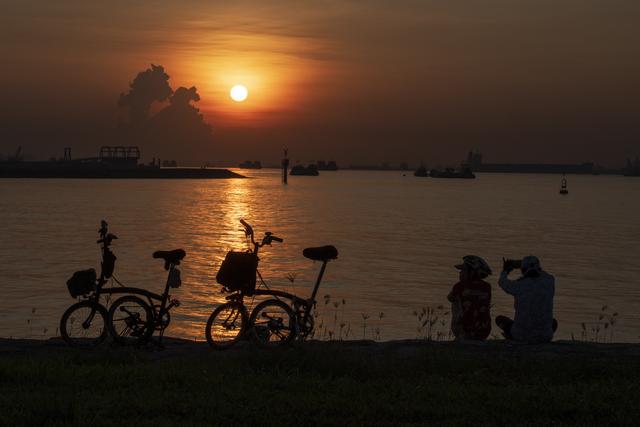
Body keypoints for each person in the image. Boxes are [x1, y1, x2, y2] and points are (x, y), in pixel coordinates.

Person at [496, 255, 557, 343]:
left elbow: (502, 282)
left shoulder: (518, 286)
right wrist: (528, 264)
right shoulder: (550, 281)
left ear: (523, 270)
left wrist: (506, 270)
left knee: (499, 320)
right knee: (553, 322)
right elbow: (542, 273)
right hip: (545, 336)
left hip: (520, 335)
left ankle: (512, 337)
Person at [447, 255, 492, 340]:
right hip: (484, 332)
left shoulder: (459, 286)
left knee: (455, 301)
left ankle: (462, 333)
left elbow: (449, 298)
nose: (460, 273)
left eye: (463, 270)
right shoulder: (487, 286)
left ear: (472, 272)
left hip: (465, 331)